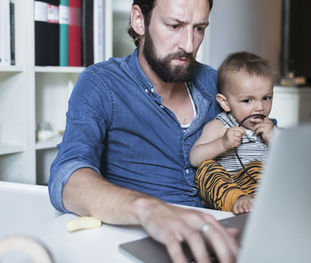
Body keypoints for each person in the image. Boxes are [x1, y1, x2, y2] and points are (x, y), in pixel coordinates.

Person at [48, 0, 239, 262]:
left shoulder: (214, 81)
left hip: (222, 237)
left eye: (199, 28)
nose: (190, 45)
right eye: (175, 26)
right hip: (142, 245)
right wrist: (149, 209)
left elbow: (268, 140)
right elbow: (67, 177)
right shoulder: (101, 84)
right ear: (139, 20)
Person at [190, 52, 277, 215]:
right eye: (247, 100)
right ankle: (237, 200)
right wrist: (222, 143)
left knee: (261, 168)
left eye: (266, 98)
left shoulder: (271, 128)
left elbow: (291, 162)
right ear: (225, 102)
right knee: (206, 169)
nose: (260, 107)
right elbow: (194, 158)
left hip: (259, 190)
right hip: (227, 187)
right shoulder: (220, 126)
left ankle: (259, 205)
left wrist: (274, 138)